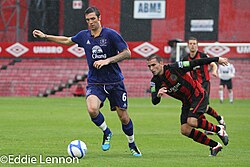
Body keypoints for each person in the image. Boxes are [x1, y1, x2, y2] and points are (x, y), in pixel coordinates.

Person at [33, 6, 142, 157]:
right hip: (95, 82)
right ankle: (107, 132)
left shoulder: (110, 35)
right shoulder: (84, 36)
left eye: (93, 19)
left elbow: (127, 53)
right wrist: (45, 36)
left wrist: (108, 60)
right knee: (92, 109)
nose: (90, 22)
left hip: (115, 82)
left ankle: (132, 143)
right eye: (87, 20)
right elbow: (67, 40)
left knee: (123, 117)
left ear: (99, 18)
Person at [147, 54, 229, 156]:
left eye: (153, 65)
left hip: (197, 94)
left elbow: (196, 62)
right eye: (149, 66)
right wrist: (158, 95)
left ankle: (218, 129)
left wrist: (217, 59)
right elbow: (154, 101)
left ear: (161, 63)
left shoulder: (175, 67)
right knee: (185, 130)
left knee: (192, 121)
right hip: (186, 102)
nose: (151, 68)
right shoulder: (154, 82)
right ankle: (215, 145)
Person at [182, 37, 226, 133]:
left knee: (203, 107)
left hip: (205, 83)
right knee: (202, 107)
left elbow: (213, 64)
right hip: (194, 86)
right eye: (191, 44)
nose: (193, 45)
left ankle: (214, 122)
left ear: (197, 45)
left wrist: (214, 71)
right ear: (188, 45)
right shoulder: (185, 59)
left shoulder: (203, 55)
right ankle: (217, 120)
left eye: (194, 44)